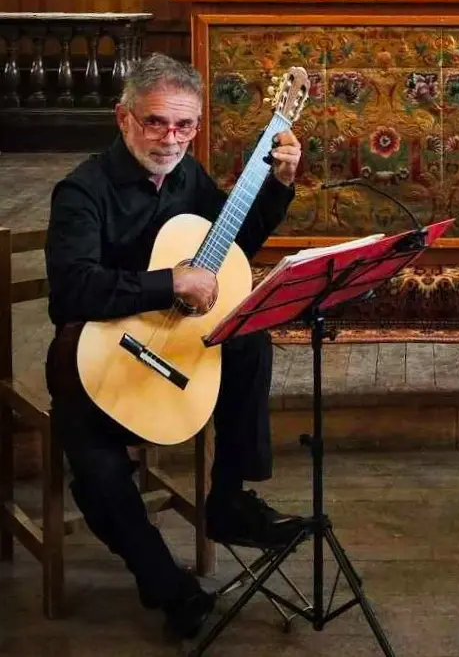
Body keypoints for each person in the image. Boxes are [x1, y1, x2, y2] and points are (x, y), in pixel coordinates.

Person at [44, 53, 304, 638]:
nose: (171, 138)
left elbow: (227, 248)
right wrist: (168, 282)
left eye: (185, 126)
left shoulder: (190, 177)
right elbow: (71, 290)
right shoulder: (82, 190)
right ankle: (167, 585)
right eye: (156, 122)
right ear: (124, 118)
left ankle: (230, 499)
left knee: (249, 340)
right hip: (93, 355)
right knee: (98, 468)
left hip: (170, 345)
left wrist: (278, 187)